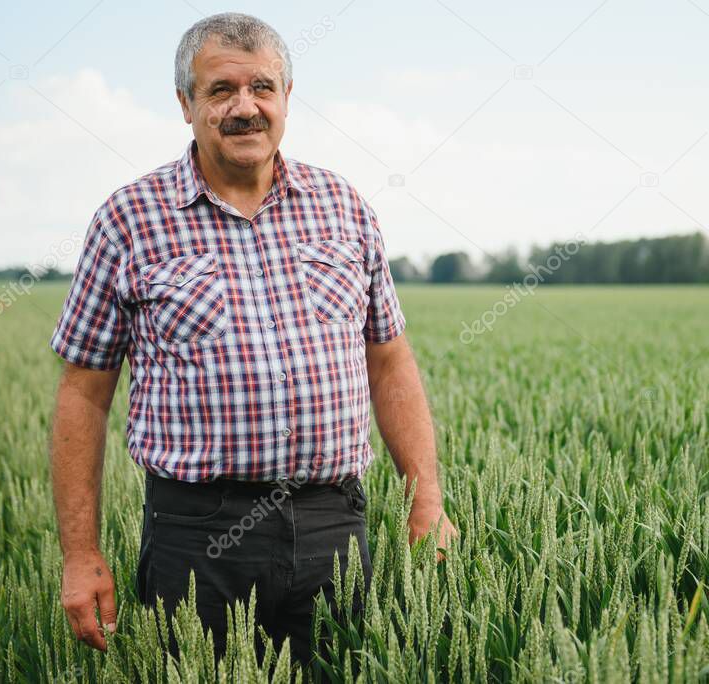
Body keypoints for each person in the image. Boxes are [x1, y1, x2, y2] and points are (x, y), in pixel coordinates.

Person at [47, 11, 457, 666]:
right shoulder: (129, 219)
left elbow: (389, 362)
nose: (246, 108)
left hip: (335, 527)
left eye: (262, 88)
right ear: (186, 103)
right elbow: (82, 394)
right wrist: (81, 554)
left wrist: (427, 500)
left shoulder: (343, 207)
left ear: (287, 98)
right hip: (196, 535)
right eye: (221, 90)